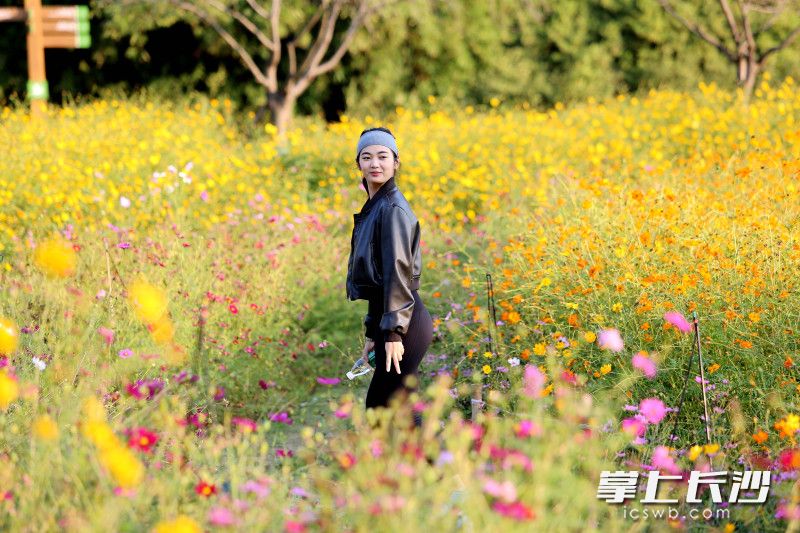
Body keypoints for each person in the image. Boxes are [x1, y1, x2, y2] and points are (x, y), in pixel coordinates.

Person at [345, 127, 434, 428]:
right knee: (403, 408)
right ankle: (435, 458)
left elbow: (397, 274)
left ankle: (407, 458)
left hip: (406, 321)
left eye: (383, 156)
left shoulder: (392, 208)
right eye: (367, 157)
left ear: (396, 163)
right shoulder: (376, 206)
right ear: (358, 163)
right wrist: (373, 334)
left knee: (379, 407)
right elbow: (378, 284)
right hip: (397, 318)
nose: (375, 164)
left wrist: (393, 334)